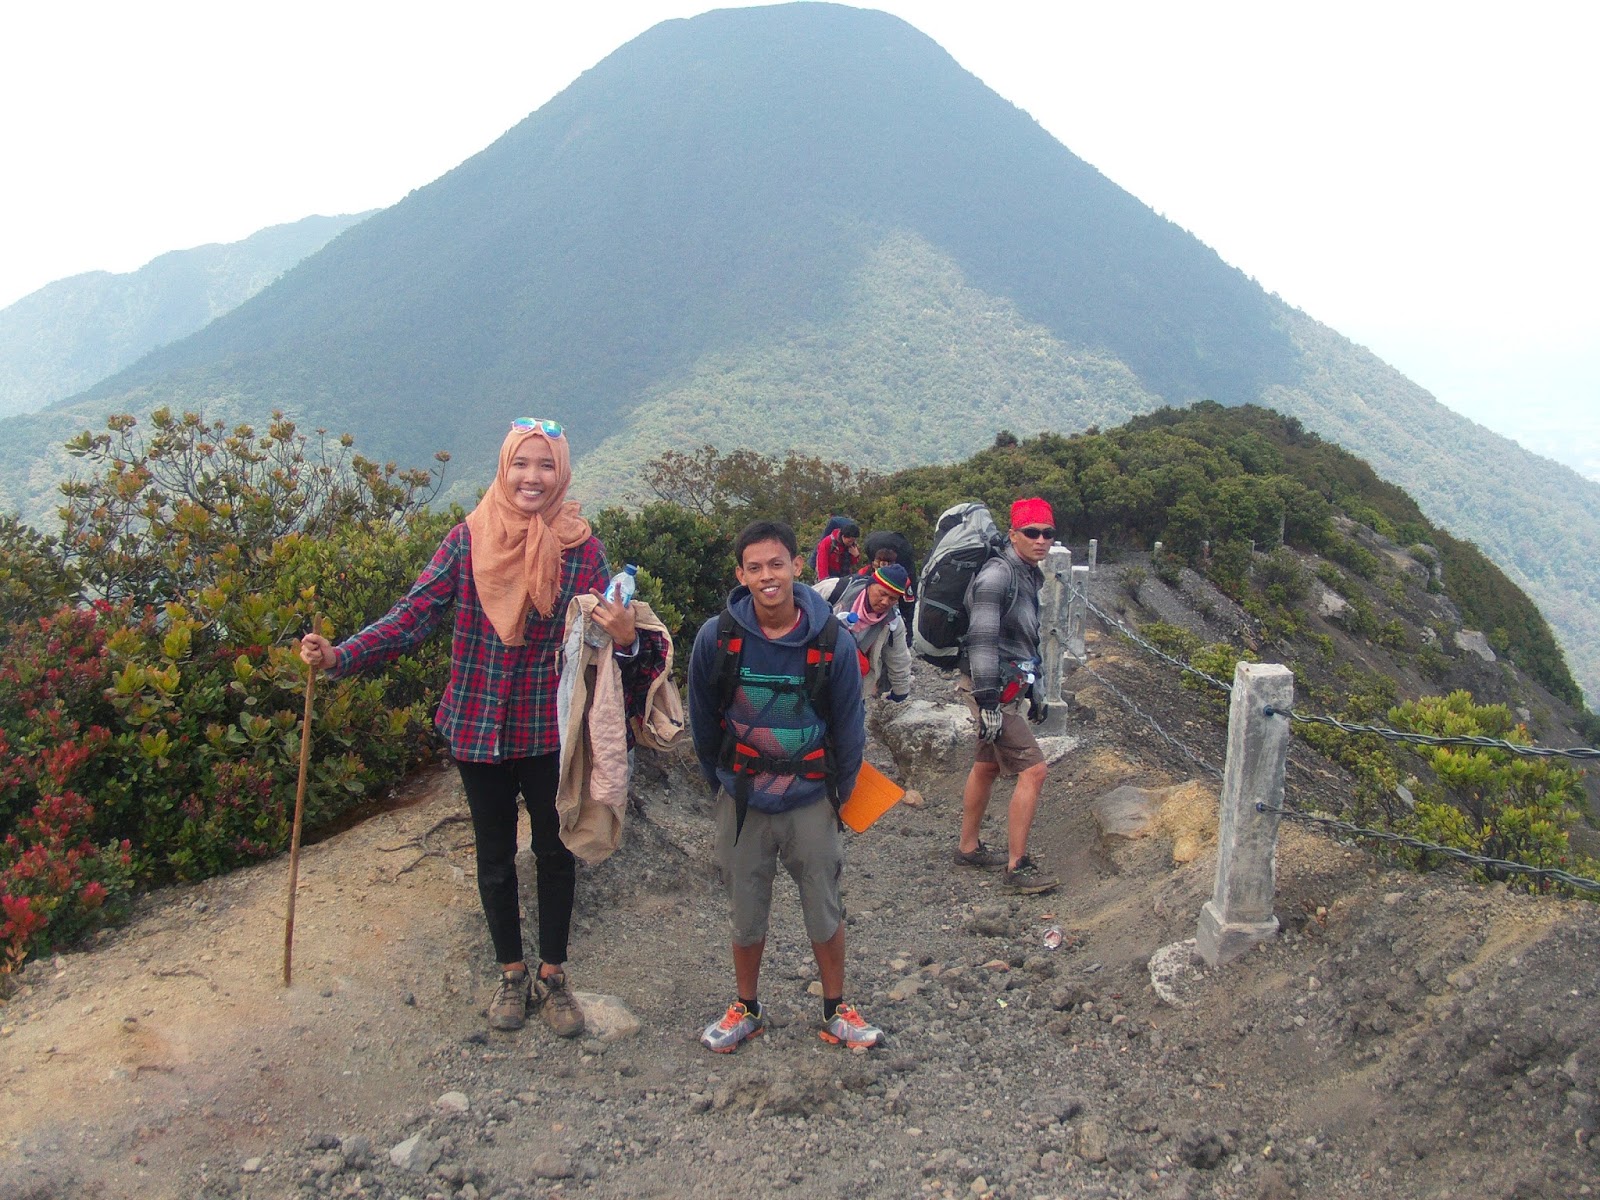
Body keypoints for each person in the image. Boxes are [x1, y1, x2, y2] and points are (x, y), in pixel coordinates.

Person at [298, 418, 667, 1037]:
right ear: (504, 467)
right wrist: (341, 656)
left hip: (548, 731)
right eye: (521, 464)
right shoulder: (466, 539)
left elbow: (610, 633)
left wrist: (628, 637)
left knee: (554, 851)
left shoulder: (582, 548)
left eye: (545, 465)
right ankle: (511, 973)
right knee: (494, 855)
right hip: (478, 725)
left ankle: (554, 975)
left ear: (561, 473)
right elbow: (413, 615)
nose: (532, 477)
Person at [688, 519, 882, 1052]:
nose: (767, 576)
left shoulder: (830, 640)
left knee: (823, 900)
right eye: (755, 568)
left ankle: (835, 1007)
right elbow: (702, 721)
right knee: (745, 907)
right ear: (740, 574)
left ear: (797, 567)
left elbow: (849, 724)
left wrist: (837, 794)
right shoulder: (717, 637)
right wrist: (722, 784)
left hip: (811, 797)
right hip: (743, 797)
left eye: (777, 564)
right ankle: (746, 1007)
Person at [952, 497, 1059, 895]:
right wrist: (989, 701)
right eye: (1032, 533)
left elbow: (1025, 639)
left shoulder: (1028, 573)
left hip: (1007, 685)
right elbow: (981, 639)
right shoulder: (998, 575)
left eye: (1048, 533)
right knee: (1033, 770)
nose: (1041, 541)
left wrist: (1038, 688)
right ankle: (1017, 868)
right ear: (1013, 534)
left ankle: (968, 847)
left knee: (987, 765)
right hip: (991, 688)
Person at [818, 562, 913, 702]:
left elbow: (898, 657)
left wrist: (901, 691)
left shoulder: (892, 623)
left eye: (892, 599)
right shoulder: (835, 590)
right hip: (811, 671)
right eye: (882, 593)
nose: (885, 602)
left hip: (852, 685)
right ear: (870, 585)